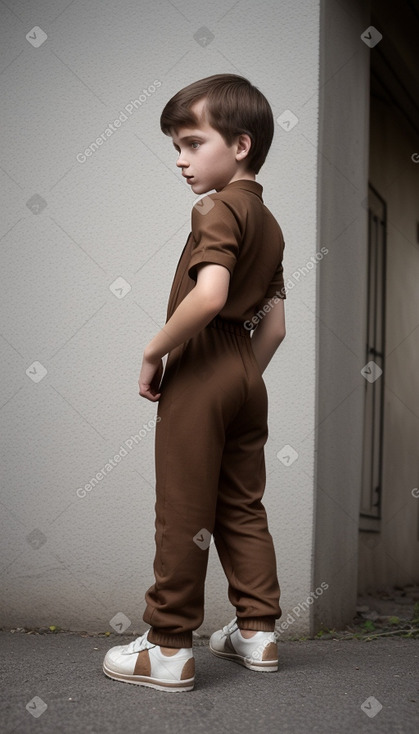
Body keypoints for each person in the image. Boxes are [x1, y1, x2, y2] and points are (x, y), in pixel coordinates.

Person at [103, 73, 287, 692]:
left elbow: (209, 297)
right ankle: (257, 632)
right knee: (241, 504)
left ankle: (168, 645)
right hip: (245, 375)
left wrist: (155, 350)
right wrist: (239, 379)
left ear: (239, 144)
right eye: (175, 148)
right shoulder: (269, 220)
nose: (181, 161)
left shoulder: (213, 206)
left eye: (191, 143)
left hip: (203, 366)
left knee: (183, 508)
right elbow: (276, 326)